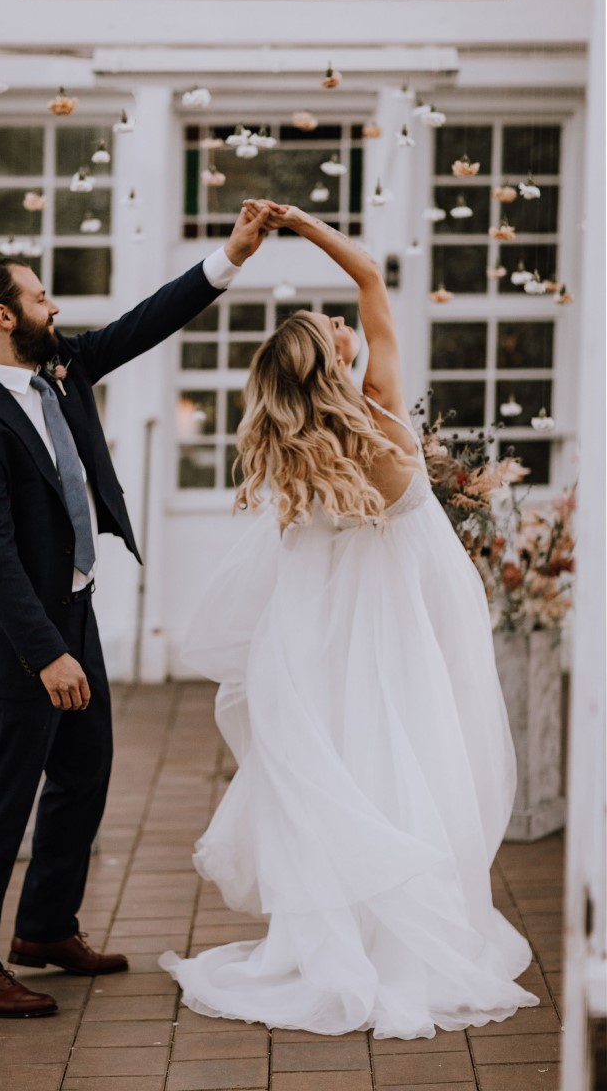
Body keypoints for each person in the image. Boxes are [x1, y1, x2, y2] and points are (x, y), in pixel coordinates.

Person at [160, 201, 539, 1039]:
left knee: (364, 764)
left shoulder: (305, 455)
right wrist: (301, 223)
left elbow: (305, 552)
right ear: (336, 356)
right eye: (334, 325)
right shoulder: (382, 406)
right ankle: (406, 938)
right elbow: (369, 274)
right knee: (421, 758)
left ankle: (350, 939)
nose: (345, 320)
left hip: (343, 628)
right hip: (416, 612)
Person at [0, 201, 273, 1018]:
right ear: (4, 317)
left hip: (75, 615)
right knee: (2, 800)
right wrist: (48, 654)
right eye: (43, 298)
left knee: (85, 775)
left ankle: (46, 927)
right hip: (28, 643)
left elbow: (144, 323)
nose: (58, 308)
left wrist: (229, 257)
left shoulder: (61, 368)